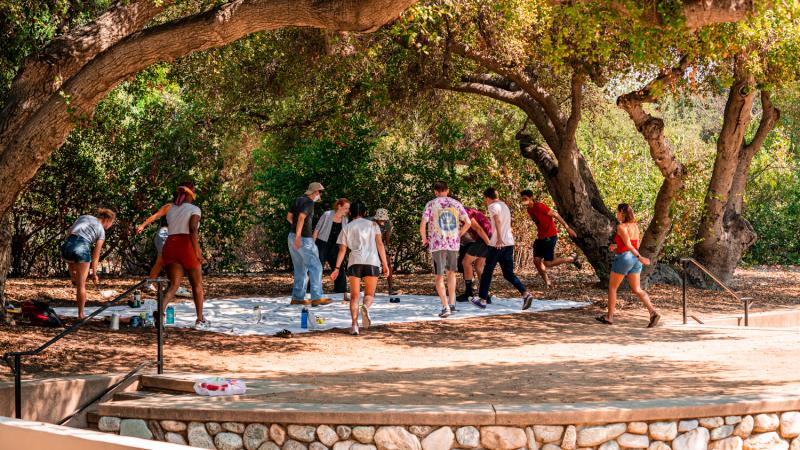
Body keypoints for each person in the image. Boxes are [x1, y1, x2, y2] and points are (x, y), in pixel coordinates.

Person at [597, 203, 661, 327]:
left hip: (626, 258)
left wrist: (640, 257)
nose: (617, 215)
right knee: (637, 289)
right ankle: (653, 312)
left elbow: (629, 245)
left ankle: (609, 317)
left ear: (622, 212)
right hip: (634, 260)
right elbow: (631, 243)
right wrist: (616, 246)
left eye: (618, 212)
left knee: (612, 288)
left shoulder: (621, 227)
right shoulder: (635, 226)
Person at [331, 202, 390, 335]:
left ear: (350, 212)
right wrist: (385, 264)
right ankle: (366, 307)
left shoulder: (347, 227)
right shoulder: (373, 225)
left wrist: (336, 268)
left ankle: (354, 325)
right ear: (364, 212)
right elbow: (380, 244)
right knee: (369, 295)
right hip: (372, 261)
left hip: (355, 262)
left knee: (354, 297)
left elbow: (342, 250)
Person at [474, 187, 535, 310]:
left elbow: (498, 221)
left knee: (487, 272)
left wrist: (499, 238)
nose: (486, 202)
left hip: (498, 244)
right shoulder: (504, 206)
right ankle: (525, 294)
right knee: (508, 274)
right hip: (509, 243)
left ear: (488, 198)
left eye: (485, 199)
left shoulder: (492, 206)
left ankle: (482, 299)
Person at [159, 182, 207, 328]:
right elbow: (192, 228)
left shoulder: (171, 209)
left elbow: (166, 226)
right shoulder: (194, 209)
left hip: (170, 245)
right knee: (197, 285)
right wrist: (198, 251)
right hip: (186, 245)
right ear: (190, 195)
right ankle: (199, 320)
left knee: (173, 285)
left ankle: (160, 313)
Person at [420, 181, 471, 318]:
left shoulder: (431, 204)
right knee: (451, 274)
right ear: (447, 190)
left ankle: (445, 306)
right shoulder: (456, 203)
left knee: (439, 276)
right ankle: (452, 304)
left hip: (437, 244)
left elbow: (423, 224)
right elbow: (468, 222)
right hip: (453, 244)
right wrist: (459, 234)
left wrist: (425, 239)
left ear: (435, 191)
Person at [520, 190, 582, 288]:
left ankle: (571, 259)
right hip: (540, 237)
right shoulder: (529, 210)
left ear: (531, 198)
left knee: (547, 263)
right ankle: (548, 282)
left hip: (550, 236)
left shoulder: (540, 206)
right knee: (536, 261)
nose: (524, 201)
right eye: (522, 199)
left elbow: (556, 215)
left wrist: (568, 228)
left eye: (525, 199)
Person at [61, 209, 116, 318]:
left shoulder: (84, 217)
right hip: (81, 247)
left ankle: (73, 277)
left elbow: (69, 233)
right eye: (111, 223)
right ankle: (81, 314)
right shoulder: (101, 231)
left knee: (71, 260)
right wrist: (94, 274)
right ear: (108, 220)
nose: (110, 226)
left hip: (67, 247)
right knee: (81, 285)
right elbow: (96, 255)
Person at [287, 182, 330, 306]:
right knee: (316, 266)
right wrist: (299, 236)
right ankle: (317, 296)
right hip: (303, 239)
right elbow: (301, 218)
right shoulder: (309, 202)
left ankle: (298, 298)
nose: (321, 195)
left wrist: (295, 232)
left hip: (291, 236)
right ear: (315, 192)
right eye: (320, 192)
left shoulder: (297, 200)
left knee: (300, 268)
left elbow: (289, 217)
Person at [136, 211, 191, 297]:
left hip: (164, 234)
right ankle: (174, 287)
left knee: (160, 262)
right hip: (165, 234)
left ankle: (149, 284)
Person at [314, 198, 350, 297]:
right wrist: (312, 244)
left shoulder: (345, 220)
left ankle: (340, 290)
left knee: (339, 266)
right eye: (346, 208)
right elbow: (317, 230)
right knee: (317, 267)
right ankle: (314, 290)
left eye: (348, 208)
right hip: (322, 243)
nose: (347, 210)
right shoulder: (327, 214)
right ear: (339, 206)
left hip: (336, 246)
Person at [457, 206, 492, 302]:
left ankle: (468, 293)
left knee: (465, 262)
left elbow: (478, 228)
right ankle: (486, 295)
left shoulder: (464, 212)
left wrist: (489, 244)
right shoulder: (463, 211)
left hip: (485, 237)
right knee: (478, 267)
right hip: (487, 236)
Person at [369, 208, 395, 295]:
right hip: (369, 244)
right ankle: (371, 290)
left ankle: (390, 289)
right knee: (371, 266)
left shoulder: (389, 224)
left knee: (387, 264)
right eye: (380, 220)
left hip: (381, 244)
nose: (382, 221)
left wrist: (386, 248)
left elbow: (387, 238)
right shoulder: (369, 222)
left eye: (384, 220)